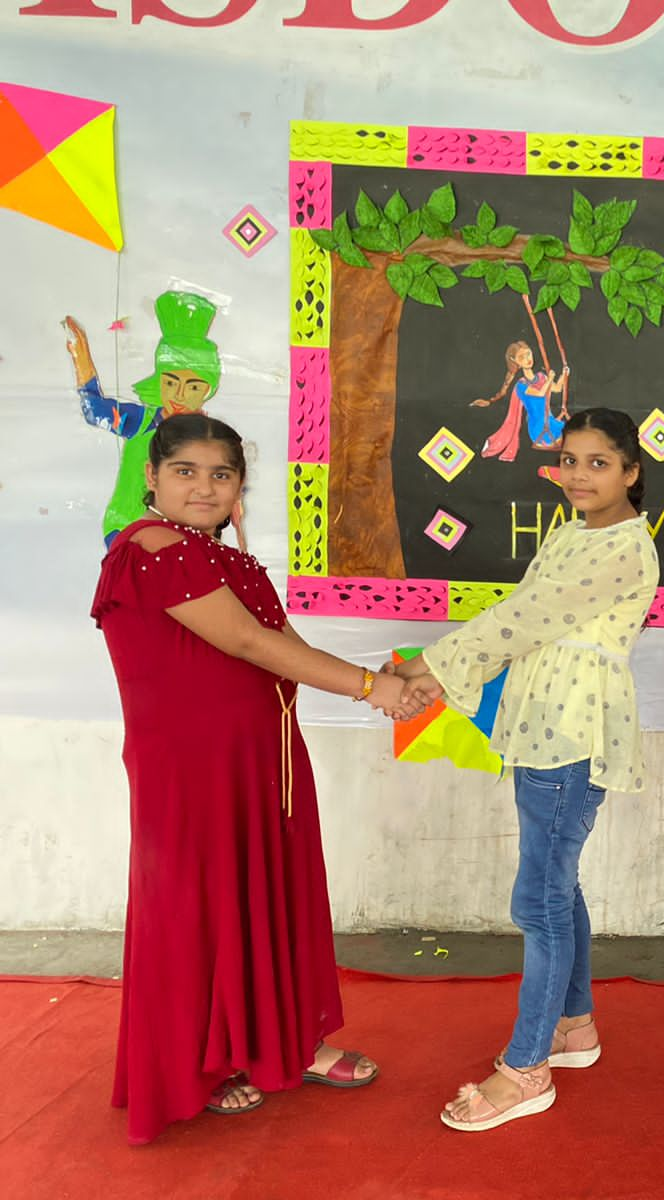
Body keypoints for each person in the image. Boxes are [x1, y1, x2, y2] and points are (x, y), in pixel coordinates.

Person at [90, 412, 420, 1144]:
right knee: (201, 902)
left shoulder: (224, 558)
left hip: (262, 754)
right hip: (193, 768)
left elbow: (281, 643)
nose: (204, 487)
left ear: (241, 485)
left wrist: (388, 679)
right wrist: (374, 689)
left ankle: (285, 1046)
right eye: (186, 471)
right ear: (151, 476)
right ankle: (203, 1064)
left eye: (222, 474)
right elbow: (241, 640)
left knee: (270, 895)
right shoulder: (150, 550)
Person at [390, 408, 661, 1132]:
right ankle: (574, 1027)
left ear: (632, 471)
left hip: (572, 737)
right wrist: (440, 676)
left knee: (538, 902)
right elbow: (521, 615)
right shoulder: (573, 533)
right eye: (569, 460)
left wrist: (427, 670)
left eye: (597, 462)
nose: (577, 474)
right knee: (554, 885)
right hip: (543, 729)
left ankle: (526, 1069)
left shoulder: (623, 549)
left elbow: (522, 620)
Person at [66, 291, 223, 547]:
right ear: (159, 382)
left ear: (208, 392)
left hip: (181, 537)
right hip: (127, 527)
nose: (180, 395)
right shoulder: (141, 420)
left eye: (193, 387)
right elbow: (95, 410)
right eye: (171, 383)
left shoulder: (209, 440)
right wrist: (81, 357)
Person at [475, 340, 570, 460]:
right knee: (570, 436)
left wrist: (563, 375)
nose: (527, 358)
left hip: (550, 422)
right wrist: (550, 379)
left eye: (528, 354)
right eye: (522, 357)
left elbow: (557, 389)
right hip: (540, 428)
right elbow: (540, 394)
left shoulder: (541, 377)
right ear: (516, 362)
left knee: (575, 433)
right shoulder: (521, 385)